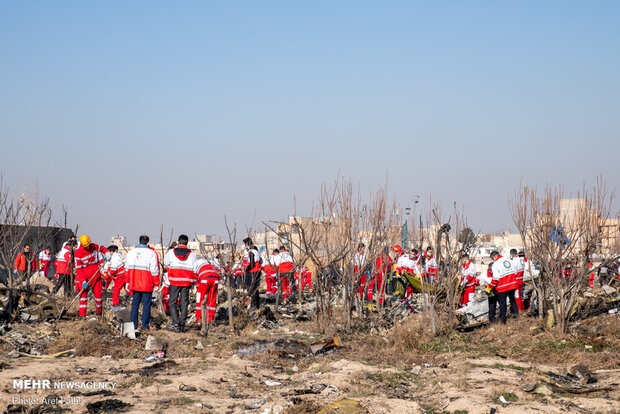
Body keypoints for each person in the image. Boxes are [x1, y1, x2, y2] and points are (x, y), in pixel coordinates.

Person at [164, 235, 197, 332]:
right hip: (186, 281)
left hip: (174, 280)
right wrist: (194, 282)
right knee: (184, 303)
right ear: (187, 243)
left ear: (178, 242)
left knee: (172, 302)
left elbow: (166, 263)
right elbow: (195, 268)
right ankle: (182, 324)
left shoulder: (171, 252)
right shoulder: (192, 254)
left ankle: (175, 324)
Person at [126, 235, 160, 331]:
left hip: (134, 282)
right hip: (147, 283)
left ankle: (133, 326)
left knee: (135, 304)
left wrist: (127, 281)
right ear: (148, 243)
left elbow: (126, 268)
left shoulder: (131, 252)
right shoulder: (151, 253)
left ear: (139, 241)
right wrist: (156, 283)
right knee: (146, 305)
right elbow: (154, 270)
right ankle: (144, 326)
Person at [73, 235, 109, 316]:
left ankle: (99, 313)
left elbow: (102, 248)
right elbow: (79, 269)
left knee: (98, 295)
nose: (88, 247)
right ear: (82, 245)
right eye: (86, 246)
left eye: (89, 245)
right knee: (83, 297)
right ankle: (82, 315)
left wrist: (106, 253)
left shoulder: (93, 246)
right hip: (84, 276)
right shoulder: (78, 253)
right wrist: (83, 281)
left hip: (95, 275)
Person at [487, 250, 518, 324]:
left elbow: (495, 278)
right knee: (513, 300)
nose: (493, 260)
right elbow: (515, 272)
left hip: (502, 287)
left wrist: (489, 288)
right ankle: (516, 316)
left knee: (502, 305)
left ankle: (503, 321)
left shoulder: (495, 264)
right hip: (512, 284)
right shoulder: (509, 260)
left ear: (494, 257)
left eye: (492, 259)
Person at [195, 255, 222, 324]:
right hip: (215, 279)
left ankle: (199, 319)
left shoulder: (196, 262)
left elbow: (195, 276)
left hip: (204, 279)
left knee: (200, 299)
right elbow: (219, 272)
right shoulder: (212, 262)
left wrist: (197, 287)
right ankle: (210, 319)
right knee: (212, 299)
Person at [243, 237, 262, 310]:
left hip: (252, 272)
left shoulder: (251, 252)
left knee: (251, 289)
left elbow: (252, 264)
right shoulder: (255, 251)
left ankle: (254, 305)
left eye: (245, 244)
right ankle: (256, 305)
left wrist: (246, 269)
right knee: (255, 289)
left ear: (247, 244)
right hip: (256, 271)